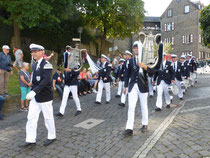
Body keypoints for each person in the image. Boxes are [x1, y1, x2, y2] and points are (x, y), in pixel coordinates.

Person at [20, 43, 56, 148]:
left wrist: (34, 91)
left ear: (42, 52)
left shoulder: (47, 64)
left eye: (35, 51)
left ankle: (52, 136)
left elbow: (45, 80)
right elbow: (35, 80)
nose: (33, 53)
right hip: (35, 97)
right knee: (31, 118)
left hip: (45, 97)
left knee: (48, 118)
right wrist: (31, 87)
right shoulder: (35, 64)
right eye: (32, 52)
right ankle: (30, 139)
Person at [123, 41, 155, 136]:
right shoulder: (131, 60)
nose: (136, 49)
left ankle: (145, 124)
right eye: (134, 48)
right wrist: (125, 86)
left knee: (143, 106)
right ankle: (129, 128)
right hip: (133, 86)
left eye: (137, 47)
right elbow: (127, 74)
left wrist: (145, 67)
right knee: (131, 107)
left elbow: (153, 71)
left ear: (141, 48)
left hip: (143, 85)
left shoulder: (146, 59)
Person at [55, 51, 82, 117]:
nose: (68, 58)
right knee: (64, 97)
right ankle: (61, 112)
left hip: (73, 83)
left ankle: (79, 109)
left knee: (75, 97)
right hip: (67, 84)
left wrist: (70, 70)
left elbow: (77, 73)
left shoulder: (76, 63)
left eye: (69, 56)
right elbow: (65, 73)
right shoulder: (66, 64)